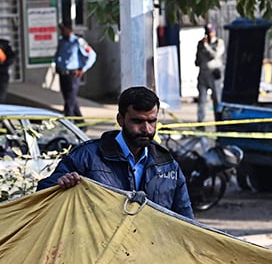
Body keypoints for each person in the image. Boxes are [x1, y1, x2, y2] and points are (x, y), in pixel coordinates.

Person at [37, 86, 194, 219]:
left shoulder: (168, 165)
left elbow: (186, 223)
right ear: (120, 119)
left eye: (151, 121)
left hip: (152, 252)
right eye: (137, 121)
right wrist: (61, 183)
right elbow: (44, 193)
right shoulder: (88, 157)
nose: (146, 129)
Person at [54, 20, 97, 118]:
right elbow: (58, 55)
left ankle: (68, 121)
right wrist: (57, 65)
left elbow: (92, 55)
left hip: (73, 74)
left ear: (69, 30)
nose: (61, 32)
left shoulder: (78, 41)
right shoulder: (61, 41)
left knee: (69, 100)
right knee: (69, 98)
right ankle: (80, 122)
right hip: (62, 73)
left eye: (63, 30)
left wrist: (83, 69)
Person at [194, 23, 225, 125]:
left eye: (211, 32)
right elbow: (197, 57)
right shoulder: (200, 43)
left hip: (214, 74)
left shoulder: (219, 43)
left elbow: (214, 55)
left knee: (217, 100)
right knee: (202, 100)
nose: (209, 35)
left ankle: (219, 121)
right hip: (203, 74)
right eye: (207, 33)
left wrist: (206, 46)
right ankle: (200, 123)